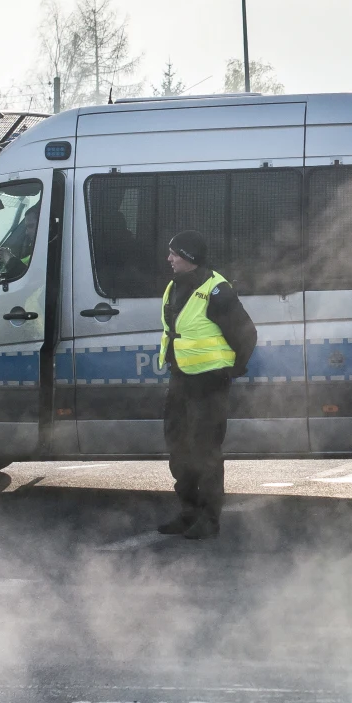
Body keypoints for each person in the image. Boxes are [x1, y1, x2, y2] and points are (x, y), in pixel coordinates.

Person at [156, 230, 257, 540]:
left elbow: (246, 333)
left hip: (209, 384)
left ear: (189, 257)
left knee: (205, 452)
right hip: (181, 380)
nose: (169, 258)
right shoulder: (175, 286)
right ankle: (188, 511)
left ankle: (209, 519)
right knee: (178, 447)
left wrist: (232, 369)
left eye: (175, 253)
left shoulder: (217, 290)